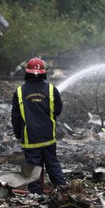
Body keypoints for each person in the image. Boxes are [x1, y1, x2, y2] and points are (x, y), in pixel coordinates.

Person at [11, 57, 66, 194]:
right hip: (48, 136)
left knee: (32, 165)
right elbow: (58, 111)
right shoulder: (52, 90)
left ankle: (36, 194)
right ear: (44, 73)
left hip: (30, 137)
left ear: (26, 73)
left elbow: (16, 117)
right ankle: (62, 189)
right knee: (52, 163)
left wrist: (18, 134)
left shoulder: (19, 92)